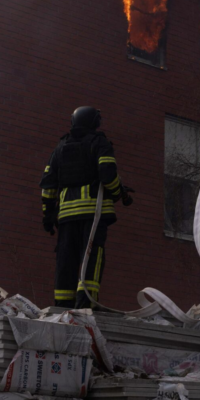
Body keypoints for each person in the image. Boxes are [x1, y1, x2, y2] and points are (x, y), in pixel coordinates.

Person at [40, 106, 129, 309]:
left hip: (66, 216)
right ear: (95, 123)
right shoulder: (100, 143)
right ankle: (86, 302)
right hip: (93, 213)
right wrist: (118, 193)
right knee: (92, 255)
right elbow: (108, 174)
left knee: (66, 259)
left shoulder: (59, 148)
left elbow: (47, 185)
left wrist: (47, 215)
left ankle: (63, 304)